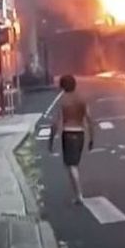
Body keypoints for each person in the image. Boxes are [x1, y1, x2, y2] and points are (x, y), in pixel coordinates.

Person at [48, 74, 95, 204]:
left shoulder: (63, 101)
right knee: (75, 164)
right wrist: (92, 138)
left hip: (68, 134)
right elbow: (89, 119)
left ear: (62, 86)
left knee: (71, 165)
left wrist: (51, 140)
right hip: (80, 134)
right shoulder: (82, 99)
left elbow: (55, 123)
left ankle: (79, 195)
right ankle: (77, 193)